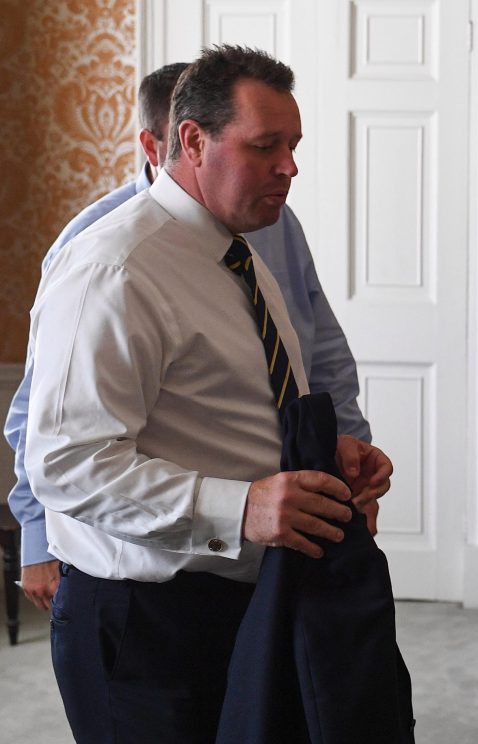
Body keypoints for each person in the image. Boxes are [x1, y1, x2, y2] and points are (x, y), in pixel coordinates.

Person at [23, 45, 392, 743]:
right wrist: (242, 506)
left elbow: (232, 407)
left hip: (241, 599)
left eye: (292, 145)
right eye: (265, 147)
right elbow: (65, 463)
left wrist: (326, 455)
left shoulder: (238, 251)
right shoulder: (114, 269)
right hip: (145, 622)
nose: (290, 167)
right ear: (190, 140)